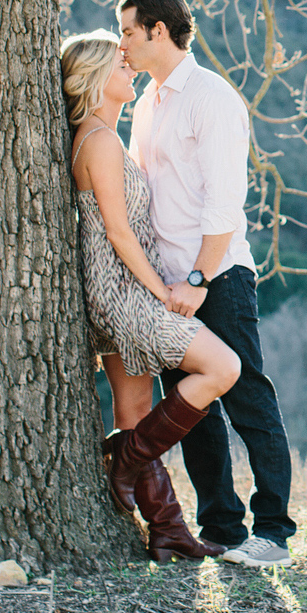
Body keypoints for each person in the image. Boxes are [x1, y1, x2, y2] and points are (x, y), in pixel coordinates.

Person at [116, 0, 297, 568]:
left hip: (215, 276)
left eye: (127, 31)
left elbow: (225, 205)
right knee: (191, 409)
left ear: (157, 31)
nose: (122, 43)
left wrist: (197, 278)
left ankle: (274, 533)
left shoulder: (211, 97)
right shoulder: (146, 105)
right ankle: (221, 527)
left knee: (246, 395)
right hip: (166, 285)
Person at [61, 31, 242, 562]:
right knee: (222, 368)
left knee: (136, 408)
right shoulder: (99, 141)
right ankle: (125, 461)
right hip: (123, 291)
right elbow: (118, 232)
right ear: (96, 79)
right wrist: (159, 289)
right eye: (121, 64)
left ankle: (167, 530)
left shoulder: (98, 135)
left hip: (111, 288)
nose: (131, 69)